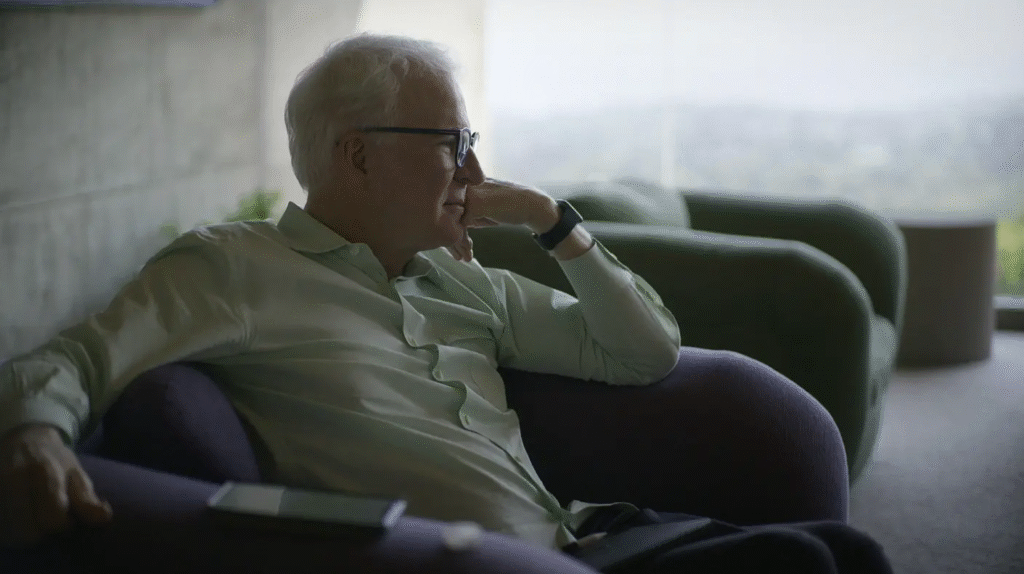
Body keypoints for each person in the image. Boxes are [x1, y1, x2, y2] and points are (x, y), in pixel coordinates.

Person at [0, 33, 892, 573]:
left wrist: (550, 220)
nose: (472, 169)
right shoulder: (234, 268)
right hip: (476, 567)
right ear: (357, 156)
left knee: (842, 552)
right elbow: (74, 358)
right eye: (451, 142)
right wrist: (35, 431)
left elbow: (646, 352)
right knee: (804, 561)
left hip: (590, 538)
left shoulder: (458, 277)